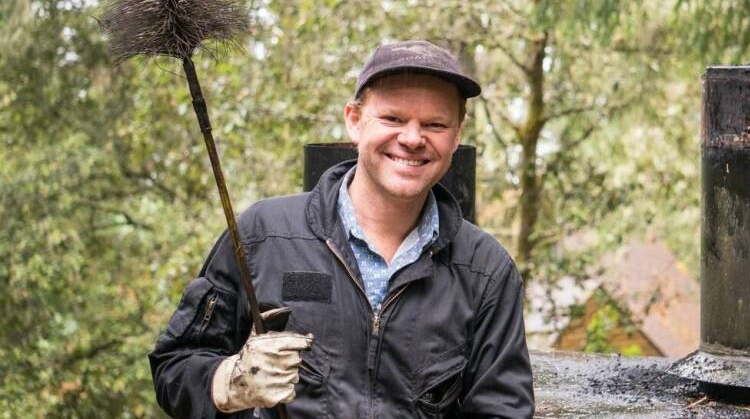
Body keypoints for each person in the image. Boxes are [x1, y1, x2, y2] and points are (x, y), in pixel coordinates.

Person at [149, 40, 534, 418]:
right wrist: (227, 383)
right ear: (354, 120)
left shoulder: (485, 271)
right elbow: (174, 368)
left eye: (435, 124)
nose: (412, 138)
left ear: (456, 136)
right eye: (393, 119)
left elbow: (502, 409)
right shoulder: (262, 235)